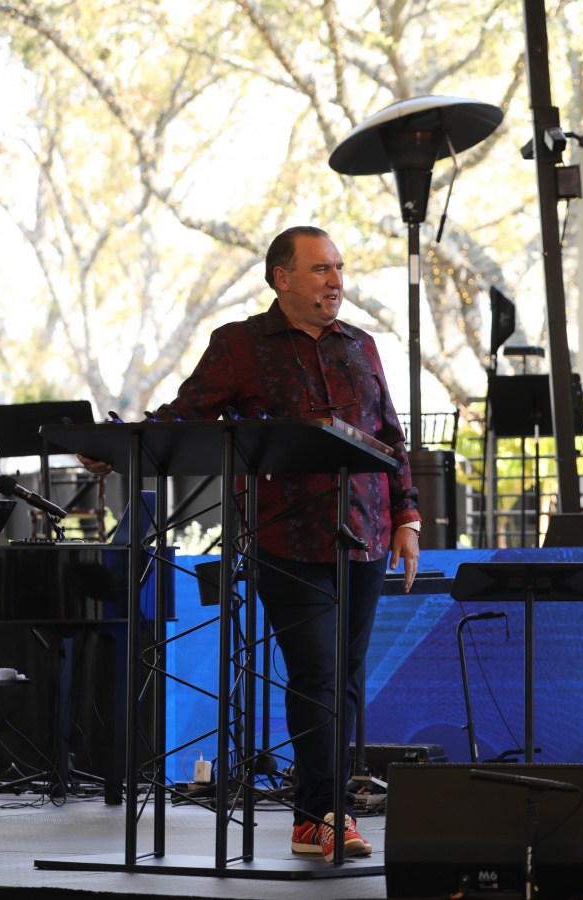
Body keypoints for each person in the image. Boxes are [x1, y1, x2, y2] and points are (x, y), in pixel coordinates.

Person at [79, 225, 420, 863]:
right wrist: (120, 446)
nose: (335, 281)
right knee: (317, 673)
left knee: (345, 678)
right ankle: (326, 812)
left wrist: (408, 518)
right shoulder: (240, 345)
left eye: (338, 268)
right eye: (320, 269)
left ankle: (313, 820)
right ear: (282, 278)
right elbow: (186, 412)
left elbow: (390, 438)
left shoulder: (362, 345)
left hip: (367, 535)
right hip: (287, 537)